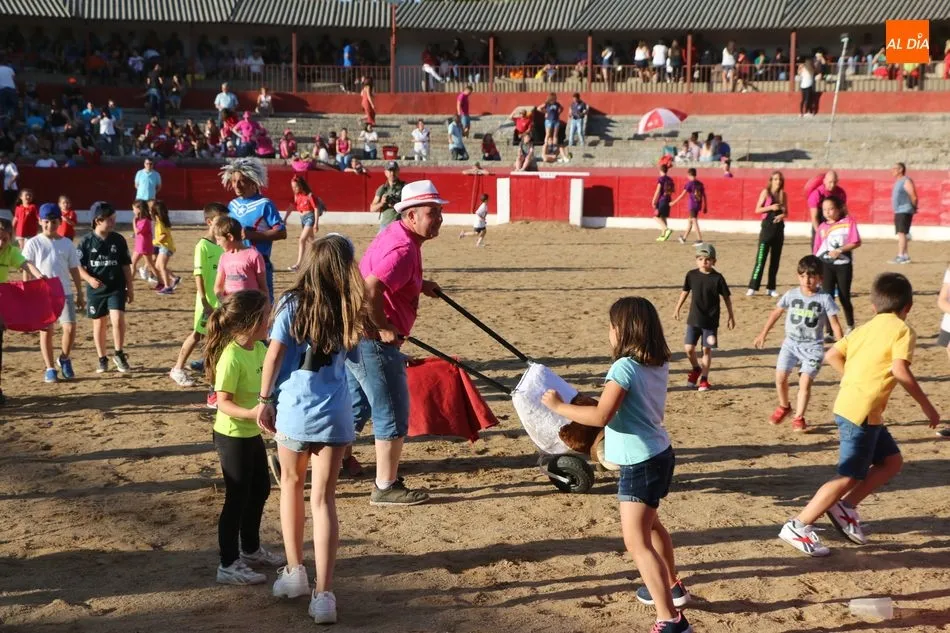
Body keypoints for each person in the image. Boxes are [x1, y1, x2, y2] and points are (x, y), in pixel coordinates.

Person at [541, 297, 691, 633]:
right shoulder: (656, 362)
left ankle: (670, 620)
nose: (609, 333)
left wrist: (559, 406)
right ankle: (673, 586)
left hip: (640, 463)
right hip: (659, 453)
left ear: (622, 330)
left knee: (636, 542)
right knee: (653, 527)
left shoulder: (623, 367)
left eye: (611, 326)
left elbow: (600, 415)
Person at [779, 273, 941, 556]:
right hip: (861, 411)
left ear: (874, 306)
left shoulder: (864, 328)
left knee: (891, 461)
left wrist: (853, 378)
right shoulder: (903, 330)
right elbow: (900, 370)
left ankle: (845, 506)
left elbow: (832, 356)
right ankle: (798, 524)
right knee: (850, 474)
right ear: (909, 307)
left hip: (858, 407)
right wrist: (927, 406)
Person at [257, 234, 365, 625]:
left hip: (296, 409)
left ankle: (294, 571)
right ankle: (325, 595)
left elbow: (273, 356)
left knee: (290, 485)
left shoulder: (291, 302)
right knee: (324, 500)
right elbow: (352, 358)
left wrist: (264, 399)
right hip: (334, 413)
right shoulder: (349, 308)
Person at [346, 179, 447, 506]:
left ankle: (306, 455)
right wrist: (384, 326)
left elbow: (381, 278)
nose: (440, 218)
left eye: (440, 212)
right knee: (391, 408)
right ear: (412, 215)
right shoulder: (404, 249)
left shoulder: (395, 234)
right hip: (372, 340)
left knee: (356, 405)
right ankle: (386, 486)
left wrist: (418, 284)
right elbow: (372, 287)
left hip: (354, 336)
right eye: (433, 213)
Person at [205, 289, 286, 584]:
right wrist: (254, 413)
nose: (271, 319)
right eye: (267, 315)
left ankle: (250, 549)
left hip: (252, 433)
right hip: (231, 435)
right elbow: (222, 402)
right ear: (253, 321)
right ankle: (227, 563)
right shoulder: (231, 356)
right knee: (236, 499)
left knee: (260, 489)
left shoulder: (261, 348)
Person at [754, 255, 843, 433]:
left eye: (811, 276)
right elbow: (776, 313)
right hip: (790, 345)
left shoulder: (825, 299)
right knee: (780, 378)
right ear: (798, 276)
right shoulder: (791, 294)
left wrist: (841, 346)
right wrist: (763, 333)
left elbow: (835, 325)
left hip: (813, 348)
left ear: (820, 278)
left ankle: (799, 417)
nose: (807, 280)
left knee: (805, 382)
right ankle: (784, 406)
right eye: (802, 276)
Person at [22, 203, 85, 382]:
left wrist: (79, 292)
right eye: (46, 222)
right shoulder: (33, 243)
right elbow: (26, 267)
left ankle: (64, 358)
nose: (50, 225)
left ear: (60, 221)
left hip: (64, 292)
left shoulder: (66, 243)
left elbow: (74, 269)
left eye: (54, 221)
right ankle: (50, 367)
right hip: (42, 294)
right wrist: (27, 291)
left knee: (70, 327)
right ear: (41, 222)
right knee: (46, 331)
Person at [169, 203, 229, 390]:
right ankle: (178, 368)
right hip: (207, 302)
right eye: (221, 220)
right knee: (197, 334)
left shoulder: (223, 244)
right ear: (209, 221)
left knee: (217, 335)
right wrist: (204, 301)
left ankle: (210, 366)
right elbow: (199, 275)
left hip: (221, 300)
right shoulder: (202, 246)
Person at [77, 202, 134, 374]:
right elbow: (78, 266)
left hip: (116, 287)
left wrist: (130, 287)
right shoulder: (86, 241)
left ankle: (119, 353)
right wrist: (89, 279)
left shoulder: (118, 239)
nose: (112, 222)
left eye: (113, 219)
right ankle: (102, 358)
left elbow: (125, 266)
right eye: (109, 219)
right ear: (98, 220)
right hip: (96, 290)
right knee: (99, 324)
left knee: (117, 319)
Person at [222, 158, 287, 303]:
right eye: (233, 181)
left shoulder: (265, 204)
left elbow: (282, 232)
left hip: (258, 265)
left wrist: (254, 235)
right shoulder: (232, 205)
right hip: (233, 264)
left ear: (253, 181)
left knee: (263, 307)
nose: (236, 185)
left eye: (241, 181)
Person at [672, 243, 735, 392]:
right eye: (700, 258)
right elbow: (685, 292)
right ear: (696, 260)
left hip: (710, 322)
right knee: (688, 349)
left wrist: (731, 316)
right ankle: (696, 369)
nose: (703, 261)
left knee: (706, 350)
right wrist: (677, 308)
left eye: (707, 259)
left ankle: (704, 380)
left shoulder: (718, 278)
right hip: (694, 319)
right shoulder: (691, 275)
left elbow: (726, 298)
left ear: (714, 261)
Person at [814, 197, 861, 334]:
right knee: (827, 298)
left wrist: (840, 250)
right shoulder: (822, 227)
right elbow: (816, 250)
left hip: (843, 265)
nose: (827, 212)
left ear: (838, 209)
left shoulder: (848, 223)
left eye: (831, 209)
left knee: (844, 296)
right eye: (824, 209)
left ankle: (850, 326)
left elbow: (856, 242)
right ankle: (829, 331)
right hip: (826, 266)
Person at [747, 171, 788, 297]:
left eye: (780, 179)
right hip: (766, 229)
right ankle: (753, 286)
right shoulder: (765, 192)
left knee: (775, 261)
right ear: (771, 180)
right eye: (775, 179)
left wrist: (781, 215)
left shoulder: (783, 195)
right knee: (760, 260)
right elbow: (757, 209)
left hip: (779, 230)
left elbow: (786, 212)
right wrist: (771, 208)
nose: (778, 181)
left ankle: (771, 287)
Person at [214, 215, 268, 301]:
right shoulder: (223, 257)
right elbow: (218, 286)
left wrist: (266, 307)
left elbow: (263, 288)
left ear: (230, 237)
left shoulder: (254, 256)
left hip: (251, 308)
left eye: (219, 239)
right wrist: (223, 301)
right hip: (231, 309)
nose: (217, 243)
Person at [284, 176, 323, 272]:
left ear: (301, 185)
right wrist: (285, 218)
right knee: (312, 242)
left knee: (302, 240)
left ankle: (298, 265)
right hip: (302, 219)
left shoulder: (309, 195)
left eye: (296, 187)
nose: (294, 189)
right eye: (292, 187)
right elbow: (290, 207)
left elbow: (316, 208)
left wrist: (316, 224)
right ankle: (322, 254)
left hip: (310, 218)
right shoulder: (296, 196)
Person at [807, 171, 847, 240]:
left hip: (836, 224)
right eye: (830, 182)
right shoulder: (816, 194)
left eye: (834, 182)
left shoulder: (841, 193)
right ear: (824, 181)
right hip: (820, 223)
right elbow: (814, 217)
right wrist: (819, 233)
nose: (832, 185)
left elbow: (844, 212)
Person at [890, 162, 917, 264]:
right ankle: (904, 255)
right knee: (903, 233)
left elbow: (913, 195)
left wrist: (913, 207)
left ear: (901, 169)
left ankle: (901, 255)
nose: (892, 171)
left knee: (901, 233)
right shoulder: (899, 181)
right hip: (900, 210)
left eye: (894, 168)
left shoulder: (905, 181)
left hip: (904, 210)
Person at [151, 200, 180, 296]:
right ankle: (174, 278)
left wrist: (155, 241)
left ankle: (168, 287)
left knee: (161, 266)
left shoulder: (159, 223)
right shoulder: (164, 221)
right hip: (166, 247)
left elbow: (163, 236)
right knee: (158, 266)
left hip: (165, 247)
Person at [671, 168, 706, 244]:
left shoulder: (689, 183)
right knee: (690, 221)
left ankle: (699, 239)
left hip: (692, 205)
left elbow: (682, 195)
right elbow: (704, 196)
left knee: (694, 220)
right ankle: (684, 238)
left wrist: (673, 202)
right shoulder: (700, 184)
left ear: (689, 175)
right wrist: (705, 206)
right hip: (698, 205)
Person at [130, 200, 159, 285]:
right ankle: (129, 283)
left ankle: (162, 281)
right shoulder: (142, 219)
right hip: (140, 245)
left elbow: (137, 232)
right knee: (132, 263)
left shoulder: (145, 220)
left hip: (144, 245)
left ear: (139, 209)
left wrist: (133, 222)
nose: (133, 211)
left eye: (134, 209)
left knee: (150, 265)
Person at [371, 161, 405, 232]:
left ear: (398, 171)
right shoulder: (382, 189)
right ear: (385, 172)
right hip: (386, 224)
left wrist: (398, 204)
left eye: (394, 171)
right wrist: (382, 203)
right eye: (390, 171)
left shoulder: (405, 187)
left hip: (402, 224)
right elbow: (372, 209)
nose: (392, 173)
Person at [651, 164, 675, 242]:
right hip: (668, 200)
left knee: (656, 217)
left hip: (662, 200)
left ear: (660, 170)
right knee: (663, 217)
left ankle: (666, 229)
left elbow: (658, 190)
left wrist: (654, 200)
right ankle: (663, 235)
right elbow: (672, 190)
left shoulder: (661, 179)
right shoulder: (670, 179)